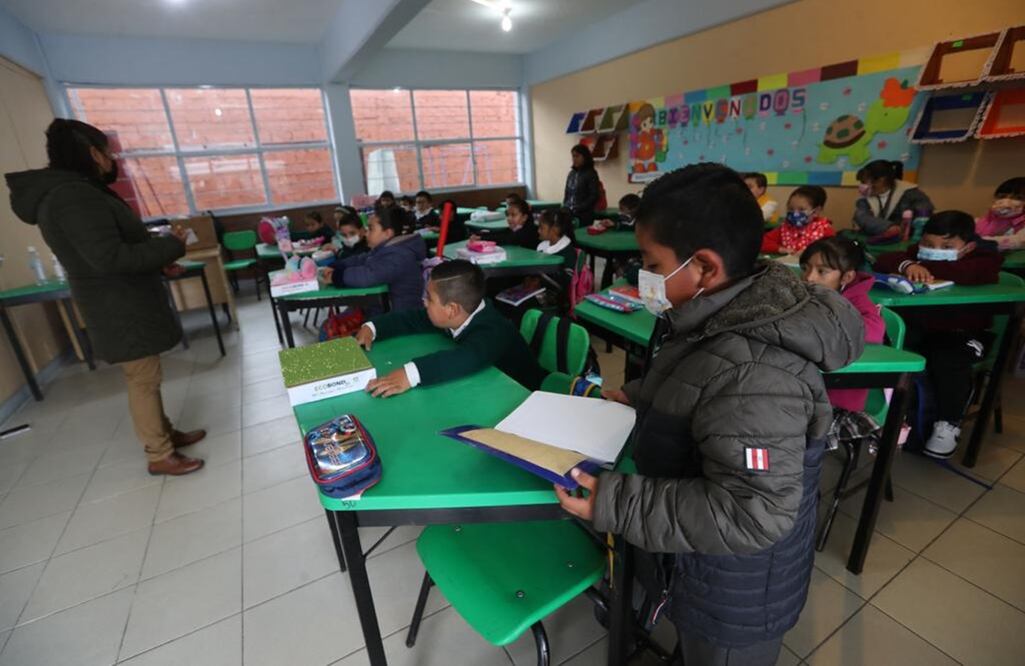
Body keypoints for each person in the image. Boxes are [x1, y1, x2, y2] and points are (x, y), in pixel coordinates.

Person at [553, 163, 864, 666]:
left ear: (703, 267)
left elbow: (751, 510)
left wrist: (615, 502)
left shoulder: (759, 377)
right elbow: (699, 378)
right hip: (699, 563)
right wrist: (640, 396)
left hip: (733, 594)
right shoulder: (722, 309)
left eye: (651, 263)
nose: (644, 276)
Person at [5, 119, 206, 476]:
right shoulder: (73, 196)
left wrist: (159, 263)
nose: (112, 160)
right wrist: (171, 246)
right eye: (108, 153)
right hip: (119, 306)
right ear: (92, 153)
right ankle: (159, 452)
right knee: (143, 378)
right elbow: (111, 258)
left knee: (148, 374)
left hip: (121, 299)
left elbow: (111, 250)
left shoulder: (75, 191)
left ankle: (165, 433)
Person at [874, 210, 1003, 458]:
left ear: (967, 247)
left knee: (947, 359)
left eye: (946, 246)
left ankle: (948, 422)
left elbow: (971, 273)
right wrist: (908, 264)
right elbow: (885, 260)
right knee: (892, 345)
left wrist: (924, 266)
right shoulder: (914, 255)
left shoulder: (985, 260)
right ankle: (890, 415)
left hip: (965, 334)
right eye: (928, 245)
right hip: (922, 330)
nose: (935, 250)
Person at [355, 260, 548, 397]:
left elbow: (466, 357)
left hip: (526, 396)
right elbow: (412, 319)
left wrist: (409, 374)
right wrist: (373, 327)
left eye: (429, 298)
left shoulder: (494, 330)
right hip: (489, 389)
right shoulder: (458, 315)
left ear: (452, 309)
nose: (424, 302)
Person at [801, 237, 885, 449]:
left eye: (822, 271)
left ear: (847, 276)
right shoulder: (810, 293)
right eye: (806, 268)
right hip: (810, 387)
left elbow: (874, 330)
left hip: (836, 398)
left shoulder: (858, 303)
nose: (809, 277)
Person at [322, 206, 426, 312]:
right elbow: (360, 259)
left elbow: (369, 275)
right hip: (384, 307)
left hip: (401, 316)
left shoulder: (399, 255)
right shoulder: (384, 250)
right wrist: (337, 265)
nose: (366, 233)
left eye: (371, 229)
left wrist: (336, 276)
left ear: (387, 233)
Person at [852, 160, 934, 237]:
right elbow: (861, 216)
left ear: (881, 180)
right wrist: (889, 227)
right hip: (876, 240)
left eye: (864, 182)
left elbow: (924, 216)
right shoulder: (865, 199)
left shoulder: (911, 194)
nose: (861, 186)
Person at [761, 185, 835, 254]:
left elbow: (832, 251)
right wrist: (781, 249)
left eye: (801, 209)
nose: (795, 213)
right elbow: (762, 242)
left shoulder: (824, 230)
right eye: (791, 209)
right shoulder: (785, 228)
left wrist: (810, 253)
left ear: (816, 211)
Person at [976, 177, 1025, 250]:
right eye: (1002, 196)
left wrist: (979, 242)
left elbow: (1020, 241)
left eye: (1018, 198)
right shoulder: (990, 217)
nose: (1007, 201)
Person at [562, 144, 600, 228]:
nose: (574, 159)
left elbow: (594, 196)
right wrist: (565, 206)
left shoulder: (591, 173)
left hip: (583, 214)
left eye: (577, 156)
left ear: (585, 157)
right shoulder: (571, 174)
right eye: (573, 156)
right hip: (568, 211)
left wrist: (579, 207)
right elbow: (567, 193)